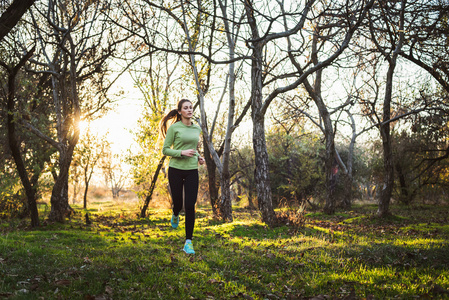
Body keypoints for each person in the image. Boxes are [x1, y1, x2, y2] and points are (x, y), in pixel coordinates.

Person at [160, 99, 205, 254]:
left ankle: (188, 242)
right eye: (185, 108)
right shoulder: (174, 128)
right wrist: (181, 153)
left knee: (190, 205)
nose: (189, 110)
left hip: (192, 169)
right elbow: (165, 150)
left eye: (191, 107)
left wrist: (199, 157)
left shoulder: (196, 128)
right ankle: (175, 212)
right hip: (176, 169)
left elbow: (193, 148)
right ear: (179, 112)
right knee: (178, 203)